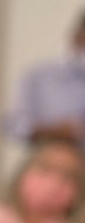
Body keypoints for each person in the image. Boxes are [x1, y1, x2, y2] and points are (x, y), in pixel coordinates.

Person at [6, 10, 85, 144]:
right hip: (50, 152)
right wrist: (52, 130)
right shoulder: (40, 76)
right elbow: (15, 125)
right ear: (77, 37)